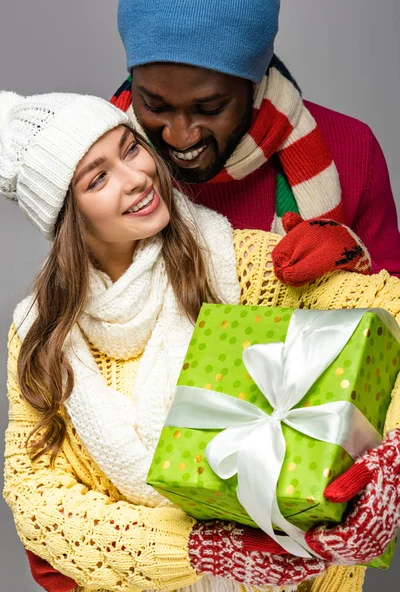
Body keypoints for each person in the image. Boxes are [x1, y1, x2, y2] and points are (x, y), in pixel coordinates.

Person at [0, 91, 399, 592]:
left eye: (130, 149)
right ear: (68, 218)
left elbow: (389, 311)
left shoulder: (238, 263)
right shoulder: (39, 334)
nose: (136, 177)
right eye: (98, 178)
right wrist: (205, 550)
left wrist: (393, 460)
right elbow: (34, 493)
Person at [111, 0, 400, 278]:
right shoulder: (91, 158)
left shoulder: (353, 148)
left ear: (254, 85)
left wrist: (354, 263)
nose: (179, 137)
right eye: (154, 106)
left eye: (210, 108)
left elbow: (394, 307)